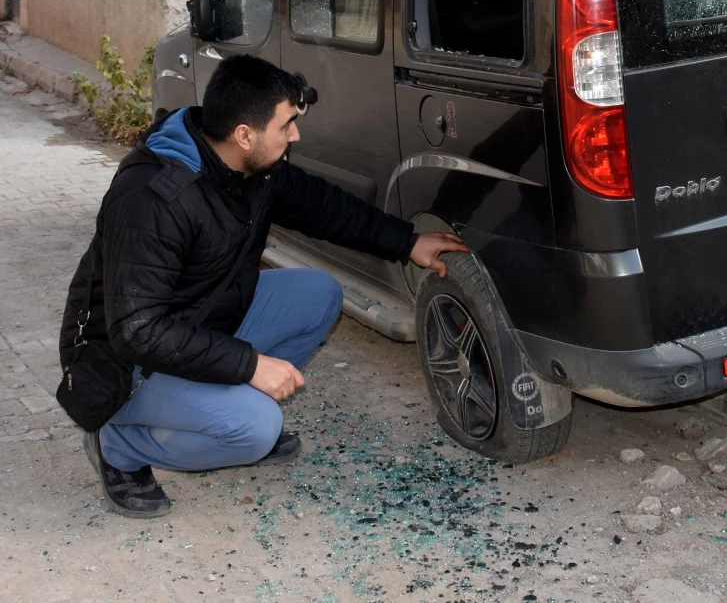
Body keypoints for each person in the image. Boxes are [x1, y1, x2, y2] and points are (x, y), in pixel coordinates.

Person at [58, 55, 467, 518]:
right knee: (256, 429)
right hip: (120, 362)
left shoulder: (251, 166)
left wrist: (408, 242)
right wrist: (250, 365)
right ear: (244, 135)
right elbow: (137, 330)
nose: (295, 135)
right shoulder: (153, 198)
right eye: (286, 124)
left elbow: (322, 207)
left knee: (319, 294)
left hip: (197, 318)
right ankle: (118, 442)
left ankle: (216, 402)